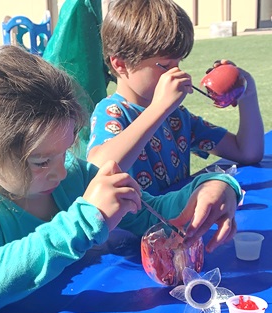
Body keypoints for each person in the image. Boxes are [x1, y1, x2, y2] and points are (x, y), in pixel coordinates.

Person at [0, 45, 241, 313]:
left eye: (64, 151)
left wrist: (213, 186)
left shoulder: (73, 175)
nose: (60, 171)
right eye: (42, 161)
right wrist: (84, 221)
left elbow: (150, 213)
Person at [86, 0, 264, 195]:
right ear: (120, 64)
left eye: (179, 63)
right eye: (165, 65)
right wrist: (159, 109)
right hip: (136, 226)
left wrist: (248, 93)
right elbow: (97, 169)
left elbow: (247, 152)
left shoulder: (177, 118)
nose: (177, 72)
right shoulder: (113, 112)